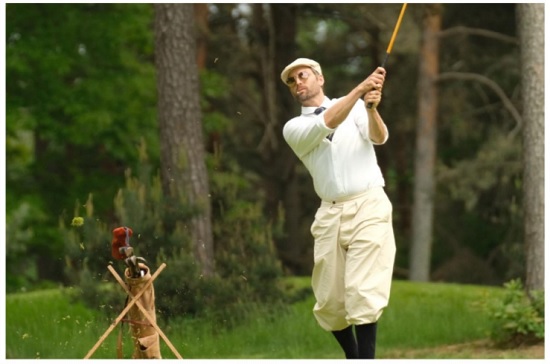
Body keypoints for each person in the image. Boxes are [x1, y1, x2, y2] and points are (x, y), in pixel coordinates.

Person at [280, 58, 396, 359]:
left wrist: (370, 108)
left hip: (369, 204)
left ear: (320, 78)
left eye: (302, 76)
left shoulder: (357, 107)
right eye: (292, 82)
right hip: (330, 213)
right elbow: (327, 122)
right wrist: (360, 89)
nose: (298, 83)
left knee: (362, 292)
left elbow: (379, 138)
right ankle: (353, 356)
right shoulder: (294, 127)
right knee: (329, 303)